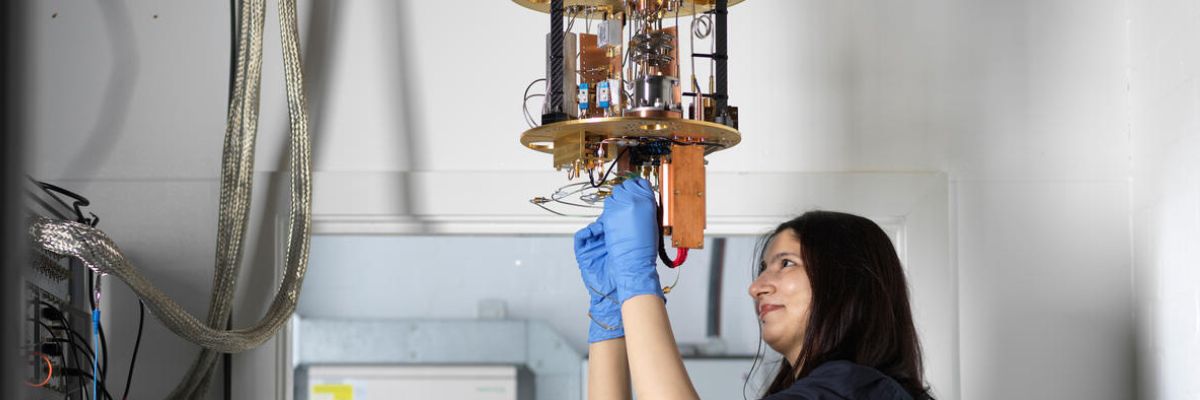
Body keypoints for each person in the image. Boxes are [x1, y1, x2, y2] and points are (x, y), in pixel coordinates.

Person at [574, 178, 932, 400]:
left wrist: (636, 279)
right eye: (764, 268)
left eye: (786, 263)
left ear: (846, 283)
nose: (756, 287)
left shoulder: (852, 388)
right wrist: (610, 310)